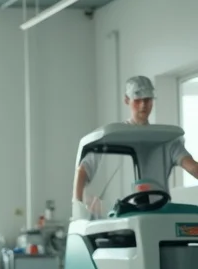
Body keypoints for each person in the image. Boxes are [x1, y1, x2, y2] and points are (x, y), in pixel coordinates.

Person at [73, 75, 198, 220]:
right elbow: (82, 171)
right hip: (123, 219)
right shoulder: (112, 136)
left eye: (147, 100)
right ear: (127, 100)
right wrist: (79, 206)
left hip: (158, 217)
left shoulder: (166, 140)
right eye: (138, 100)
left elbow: (193, 168)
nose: (143, 105)